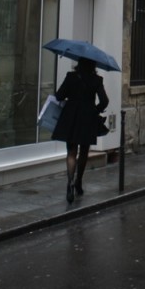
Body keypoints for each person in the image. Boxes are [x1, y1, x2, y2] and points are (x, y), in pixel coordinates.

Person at [52, 57, 109, 203]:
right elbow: (104, 101)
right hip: (87, 118)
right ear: (93, 64)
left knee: (71, 152)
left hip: (70, 117)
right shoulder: (97, 79)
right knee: (84, 151)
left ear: (79, 63)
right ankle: (79, 182)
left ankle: (69, 183)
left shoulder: (71, 77)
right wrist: (95, 110)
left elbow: (59, 95)